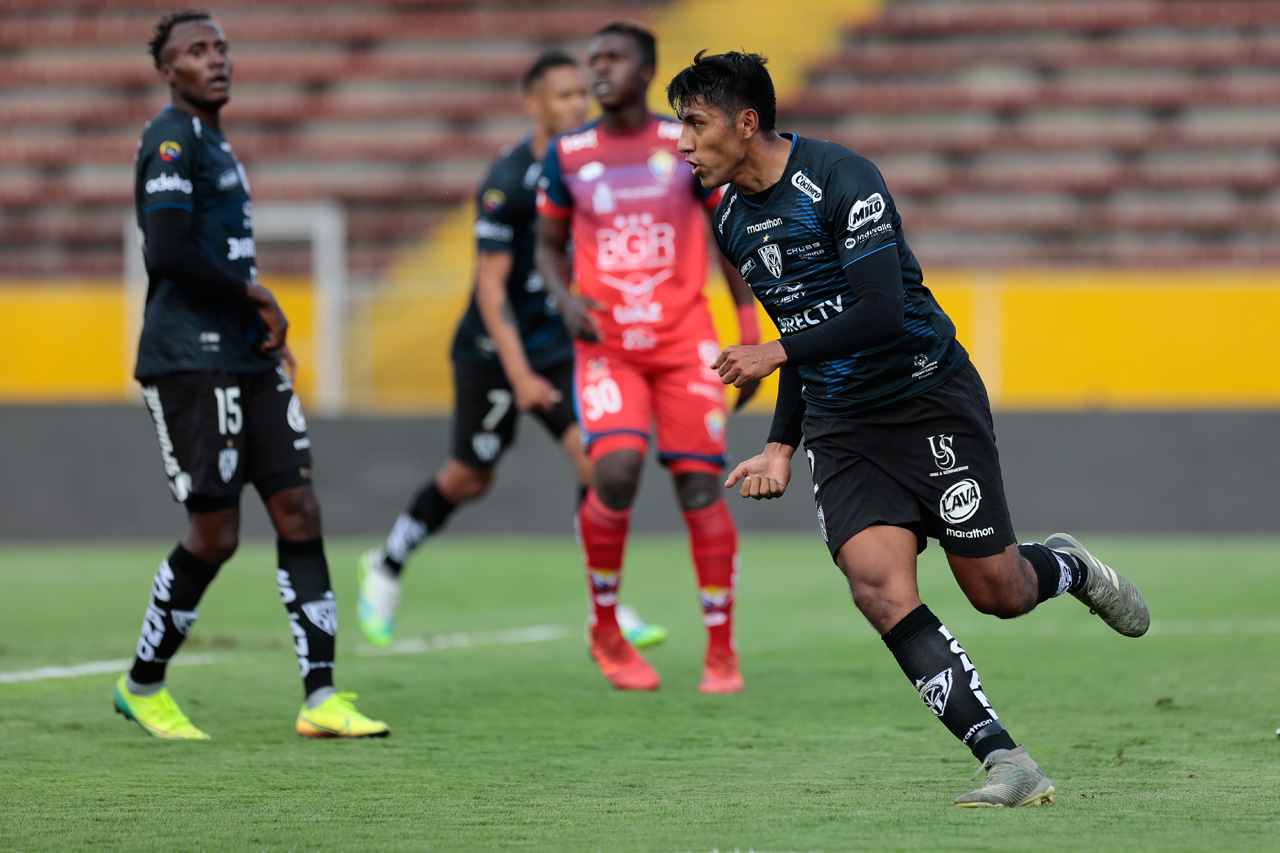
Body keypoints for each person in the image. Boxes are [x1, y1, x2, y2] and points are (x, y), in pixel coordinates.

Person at [666, 50, 1150, 804]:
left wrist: (772, 351)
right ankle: (1005, 758)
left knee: (999, 591)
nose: (683, 142)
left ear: (746, 122)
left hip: (927, 396)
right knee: (878, 589)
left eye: (695, 124)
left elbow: (878, 309)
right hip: (842, 425)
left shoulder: (839, 179)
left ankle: (1068, 567)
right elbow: (798, 326)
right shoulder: (728, 217)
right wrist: (781, 444)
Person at [115, 11, 387, 740]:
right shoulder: (170, 136)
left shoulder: (217, 142)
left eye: (221, 48)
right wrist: (255, 294)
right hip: (189, 359)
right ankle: (142, 684)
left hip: (246, 357)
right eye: (195, 51)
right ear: (167, 70)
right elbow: (166, 251)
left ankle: (321, 696)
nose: (215, 59)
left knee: (299, 510)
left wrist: (259, 325)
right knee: (216, 532)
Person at [355, 51, 666, 652]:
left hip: (557, 347)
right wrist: (519, 374)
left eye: (582, 94)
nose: (577, 104)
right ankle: (387, 564)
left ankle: (606, 606)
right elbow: (490, 287)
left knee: (598, 463)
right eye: (563, 95)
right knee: (470, 478)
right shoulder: (507, 181)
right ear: (533, 104)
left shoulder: (591, 169)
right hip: (492, 352)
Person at [536, 23, 762, 694]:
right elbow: (547, 243)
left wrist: (748, 324)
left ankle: (721, 649)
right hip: (607, 345)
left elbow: (729, 235)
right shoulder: (568, 153)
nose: (598, 69)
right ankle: (605, 629)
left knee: (699, 483)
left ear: (646, 70)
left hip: (684, 340)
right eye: (593, 58)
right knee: (618, 470)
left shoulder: (683, 142)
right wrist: (562, 296)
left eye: (613, 58)